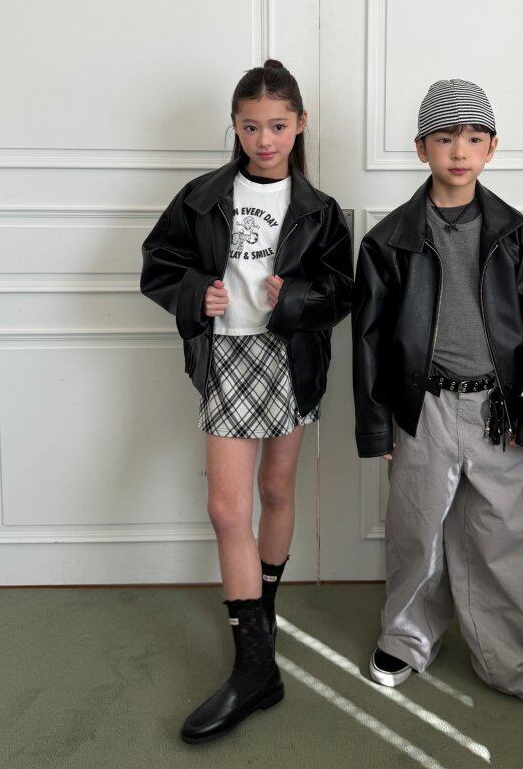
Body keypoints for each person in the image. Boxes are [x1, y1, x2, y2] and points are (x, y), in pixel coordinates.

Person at [351, 78, 523, 722]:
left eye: (474, 138)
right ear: (421, 148)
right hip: (422, 407)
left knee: (499, 536)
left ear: (492, 148)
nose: (460, 151)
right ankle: (406, 638)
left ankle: (512, 659)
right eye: (445, 137)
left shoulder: (515, 235)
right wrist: (379, 427)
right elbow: (369, 339)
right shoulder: (389, 241)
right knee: (416, 530)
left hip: (495, 410)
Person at [140, 59, 353, 743]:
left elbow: (341, 292)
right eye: (252, 126)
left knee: (277, 491)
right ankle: (256, 664)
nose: (265, 140)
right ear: (234, 127)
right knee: (227, 509)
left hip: (289, 357)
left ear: (300, 125)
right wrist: (192, 294)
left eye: (278, 126)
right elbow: (159, 263)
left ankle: (263, 616)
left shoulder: (320, 210)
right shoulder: (203, 197)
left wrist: (296, 299)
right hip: (228, 357)